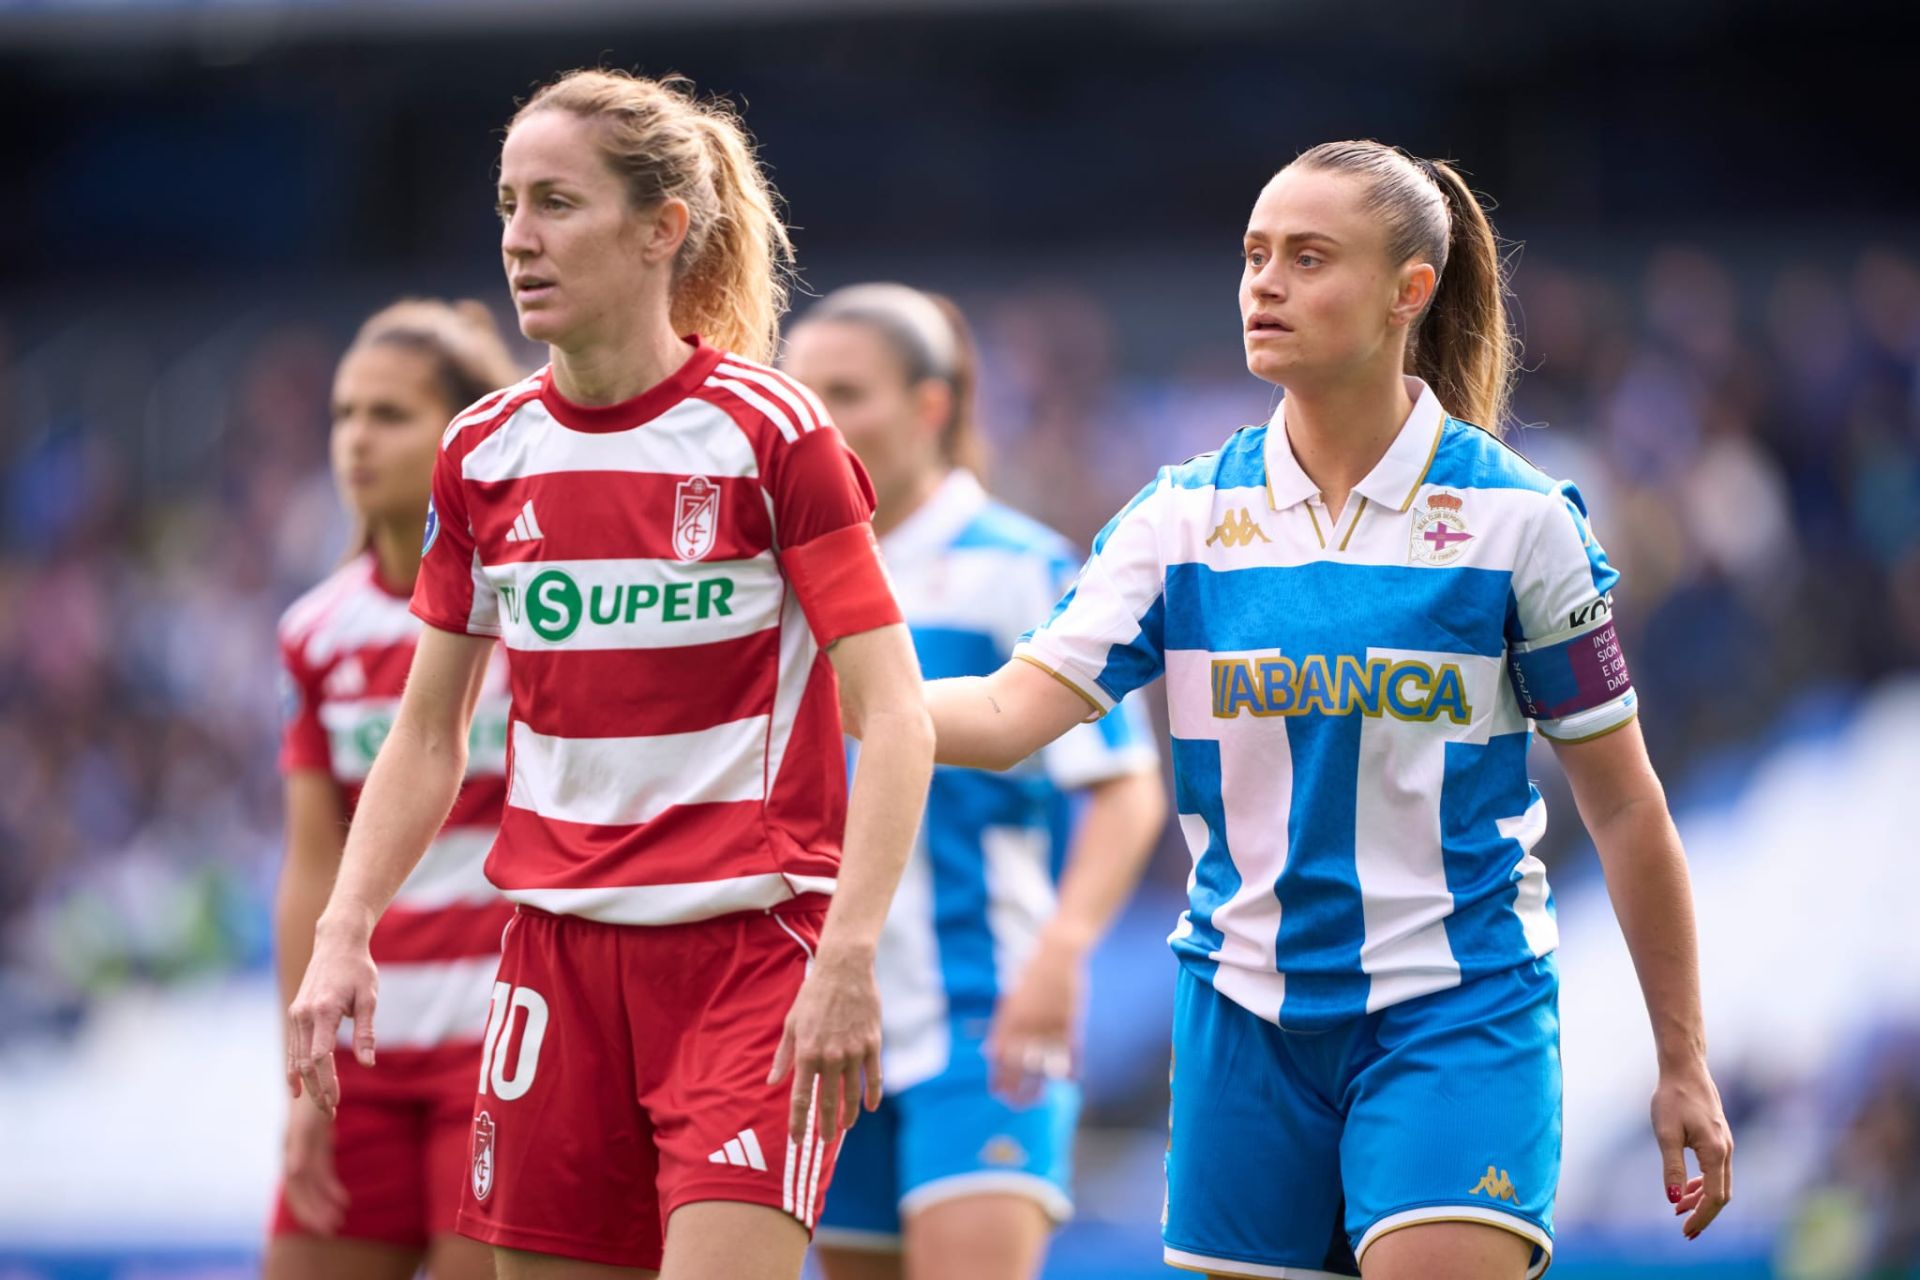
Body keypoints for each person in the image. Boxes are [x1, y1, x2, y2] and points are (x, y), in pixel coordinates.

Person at [912, 142, 1735, 1279]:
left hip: (1458, 1010)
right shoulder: (1182, 515)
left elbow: (1628, 806)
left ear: (1411, 290)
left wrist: (1682, 1058)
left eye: (1308, 257)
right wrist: (815, 693)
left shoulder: (1519, 522)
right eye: (1255, 255)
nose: (1265, 283)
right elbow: (1007, 711)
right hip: (1241, 1021)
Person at [284, 70, 933, 1280]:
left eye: (557, 204)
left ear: (660, 229)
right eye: (507, 204)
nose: (519, 238)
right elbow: (427, 735)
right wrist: (344, 928)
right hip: (551, 966)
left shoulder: (772, 433)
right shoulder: (482, 452)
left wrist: (847, 951)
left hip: (749, 955)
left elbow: (894, 714)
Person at [783, 284, 1167, 1280]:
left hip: (981, 1010)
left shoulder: (1017, 564)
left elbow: (1126, 784)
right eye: (800, 393)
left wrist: (1061, 956)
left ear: (931, 406)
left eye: (846, 392)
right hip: (830, 1016)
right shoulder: (783, 579)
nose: (817, 421)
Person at [268, 299, 522, 1280]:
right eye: (344, 414)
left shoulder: (526, 606)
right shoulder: (314, 630)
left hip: (497, 1050)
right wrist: (296, 1077)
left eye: (389, 414)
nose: (357, 440)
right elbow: (311, 864)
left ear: (460, 434)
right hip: (359, 1060)